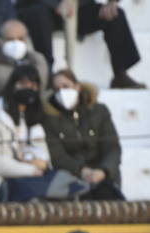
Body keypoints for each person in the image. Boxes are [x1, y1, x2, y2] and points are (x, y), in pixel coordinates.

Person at [0, 64, 82, 203]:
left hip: (27, 178)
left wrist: (34, 163)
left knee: (61, 187)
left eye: (33, 86)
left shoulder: (33, 117)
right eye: (24, 84)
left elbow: (43, 159)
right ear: (13, 86)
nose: (29, 89)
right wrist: (29, 169)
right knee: (34, 198)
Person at [14, 0, 145, 89]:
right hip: (39, 6)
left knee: (115, 15)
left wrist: (112, 1)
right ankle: (46, 73)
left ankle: (120, 74)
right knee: (38, 15)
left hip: (77, 8)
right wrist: (56, 3)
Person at [42, 68, 123, 200]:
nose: (62, 92)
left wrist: (103, 171)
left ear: (77, 87)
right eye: (57, 89)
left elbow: (112, 148)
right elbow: (57, 155)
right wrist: (81, 171)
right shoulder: (50, 118)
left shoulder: (99, 111)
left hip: (103, 177)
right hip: (70, 180)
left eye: (66, 86)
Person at [0, 18, 48, 110]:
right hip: (0, 112)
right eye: (10, 39)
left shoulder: (38, 60)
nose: (16, 43)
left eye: (20, 39)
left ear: (26, 40)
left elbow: (42, 93)